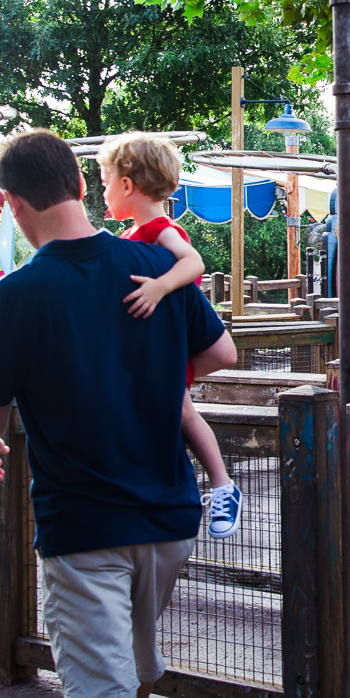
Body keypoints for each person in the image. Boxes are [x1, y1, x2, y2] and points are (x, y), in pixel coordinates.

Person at [0, 128, 237, 698]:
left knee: (103, 692)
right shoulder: (153, 262)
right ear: (82, 184)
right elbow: (217, 351)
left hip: (83, 523)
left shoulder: (16, 295)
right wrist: (148, 373)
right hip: (169, 514)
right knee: (127, 674)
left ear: (14, 205)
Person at [96, 131, 239, 538]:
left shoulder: (160, 227)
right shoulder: (131, 236)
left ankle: (223, 484)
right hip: (168, 344)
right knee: (177, 409)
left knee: (182, 412)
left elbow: (193, 262)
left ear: (127, 184)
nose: (104, 191)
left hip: (181, 330)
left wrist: (160, 287)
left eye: (106, 181)